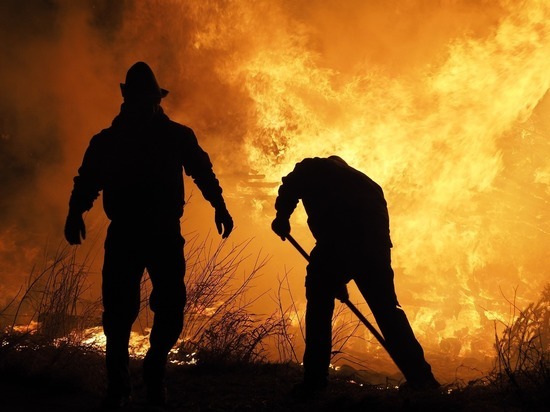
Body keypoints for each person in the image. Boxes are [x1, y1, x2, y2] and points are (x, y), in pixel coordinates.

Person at [64, 61, 233, 408]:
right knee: (118, 313)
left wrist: (219, 205)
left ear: (156, 100)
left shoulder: (176, 136)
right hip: (127, 232)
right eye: (139, 99)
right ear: (130, 100)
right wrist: (74, 211)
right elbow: (88, 179)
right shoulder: (109, 140)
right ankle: (119, 386)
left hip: (163, 233)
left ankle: (154, 367)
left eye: (148, 99)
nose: (144, 105)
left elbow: (202, 171)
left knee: (171, 307)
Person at [271, 155, 439, 397]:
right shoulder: (369, 184)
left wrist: (282, 217)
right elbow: (372, 239)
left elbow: (290, 186)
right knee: (388, 310)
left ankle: (314, 382)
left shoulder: (313, 166)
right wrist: (341, 275)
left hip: (338, 240)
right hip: (375, 248)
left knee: (319, 301)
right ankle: (422, 380)